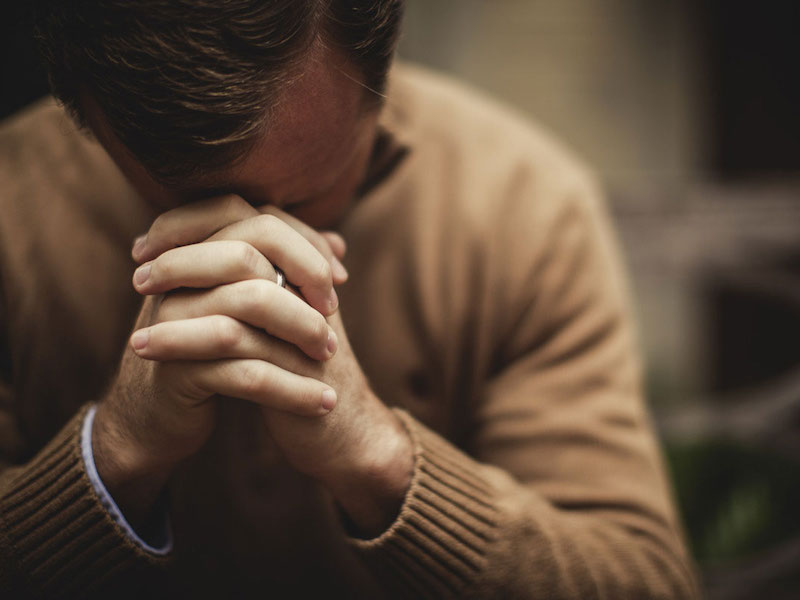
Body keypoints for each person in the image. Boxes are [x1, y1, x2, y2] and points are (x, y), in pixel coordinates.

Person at [0, 1, 699, 597]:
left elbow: (642, 577)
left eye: (306, 195)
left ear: (382, 65)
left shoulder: (523, 204)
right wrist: (115, 453)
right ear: (88, 113)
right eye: (181, 200)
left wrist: (380, 460)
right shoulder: (12, 208)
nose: (255, 251)